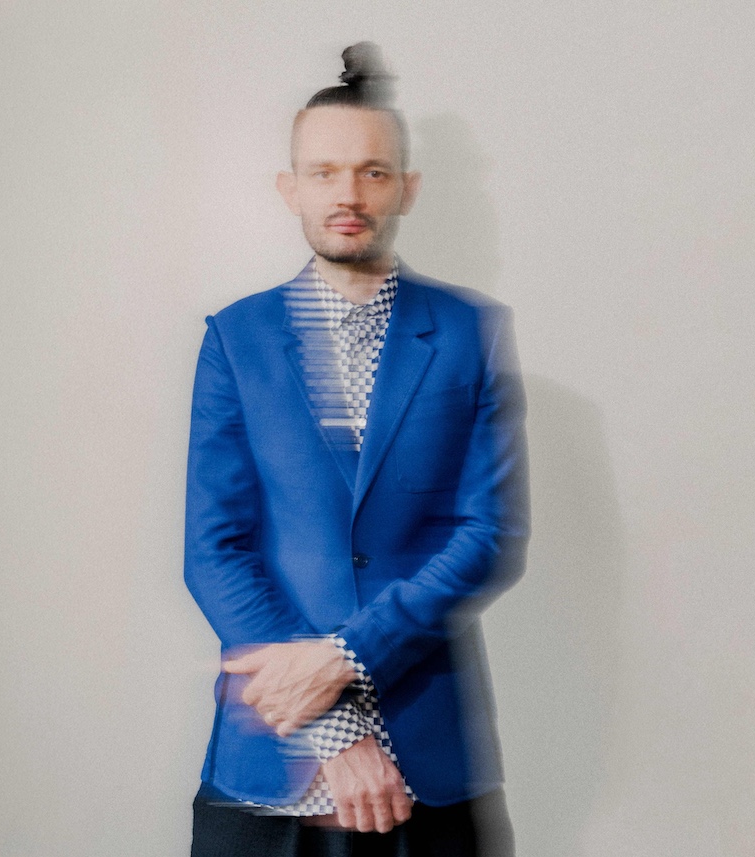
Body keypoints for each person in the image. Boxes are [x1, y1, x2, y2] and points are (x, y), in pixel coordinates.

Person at [184, 42, 529, 857]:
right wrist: (334, 726)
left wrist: (347, 657)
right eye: (325, 172)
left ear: (407, 187)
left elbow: (488, 535)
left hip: (429, 749)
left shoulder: (471, 331)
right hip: (271, 758)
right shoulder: (236, 337)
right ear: (291, 188)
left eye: (373, 172)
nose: (348, 194)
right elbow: (215, 547)